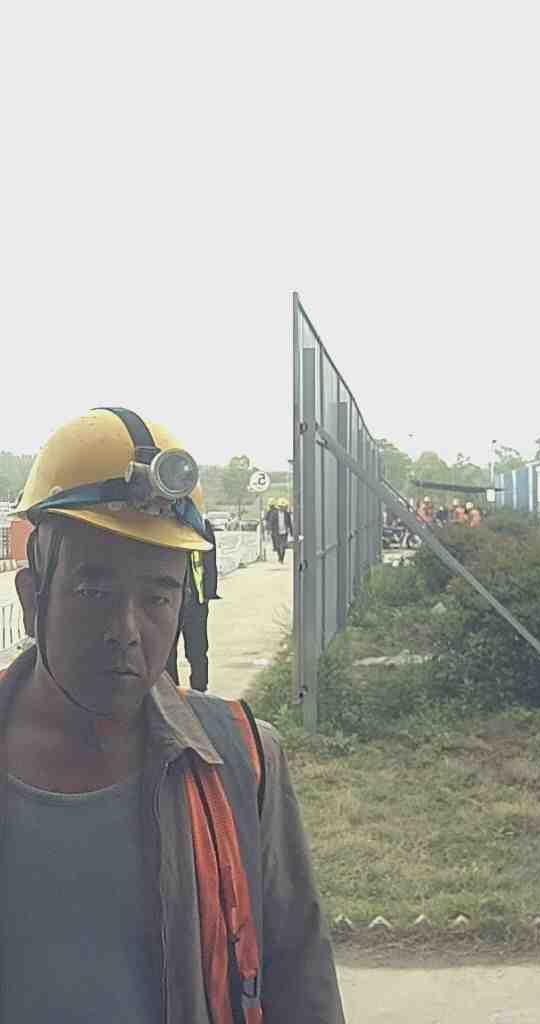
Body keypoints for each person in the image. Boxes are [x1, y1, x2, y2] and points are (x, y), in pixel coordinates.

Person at [2, 408, 344, 1024]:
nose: (127, 631)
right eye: (94, 591)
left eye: (157, 596)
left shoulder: (241, 762)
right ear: (33, 598)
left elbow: (301, 981)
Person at [166, 516, 218, 691]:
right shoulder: (164, 523)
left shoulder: (201, 526)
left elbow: (210, 560)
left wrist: (209, 592)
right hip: (170, 603)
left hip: (196, 601)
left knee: (198, 651)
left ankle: (200, 690)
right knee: (167, 653)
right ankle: (172, 693)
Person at [268, 498, 293, 564]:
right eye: (281, 507)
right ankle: (279, 557)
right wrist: (270, 529)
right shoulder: (274, 513)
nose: (282, 508)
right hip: (276, 532)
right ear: (279, 507)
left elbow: (290, 523)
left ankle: (282, 558)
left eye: (283, 507)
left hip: (284, 532)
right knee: (278, 546)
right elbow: (271, 522)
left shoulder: (287, 514)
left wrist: (291, 532)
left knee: (284, 545)